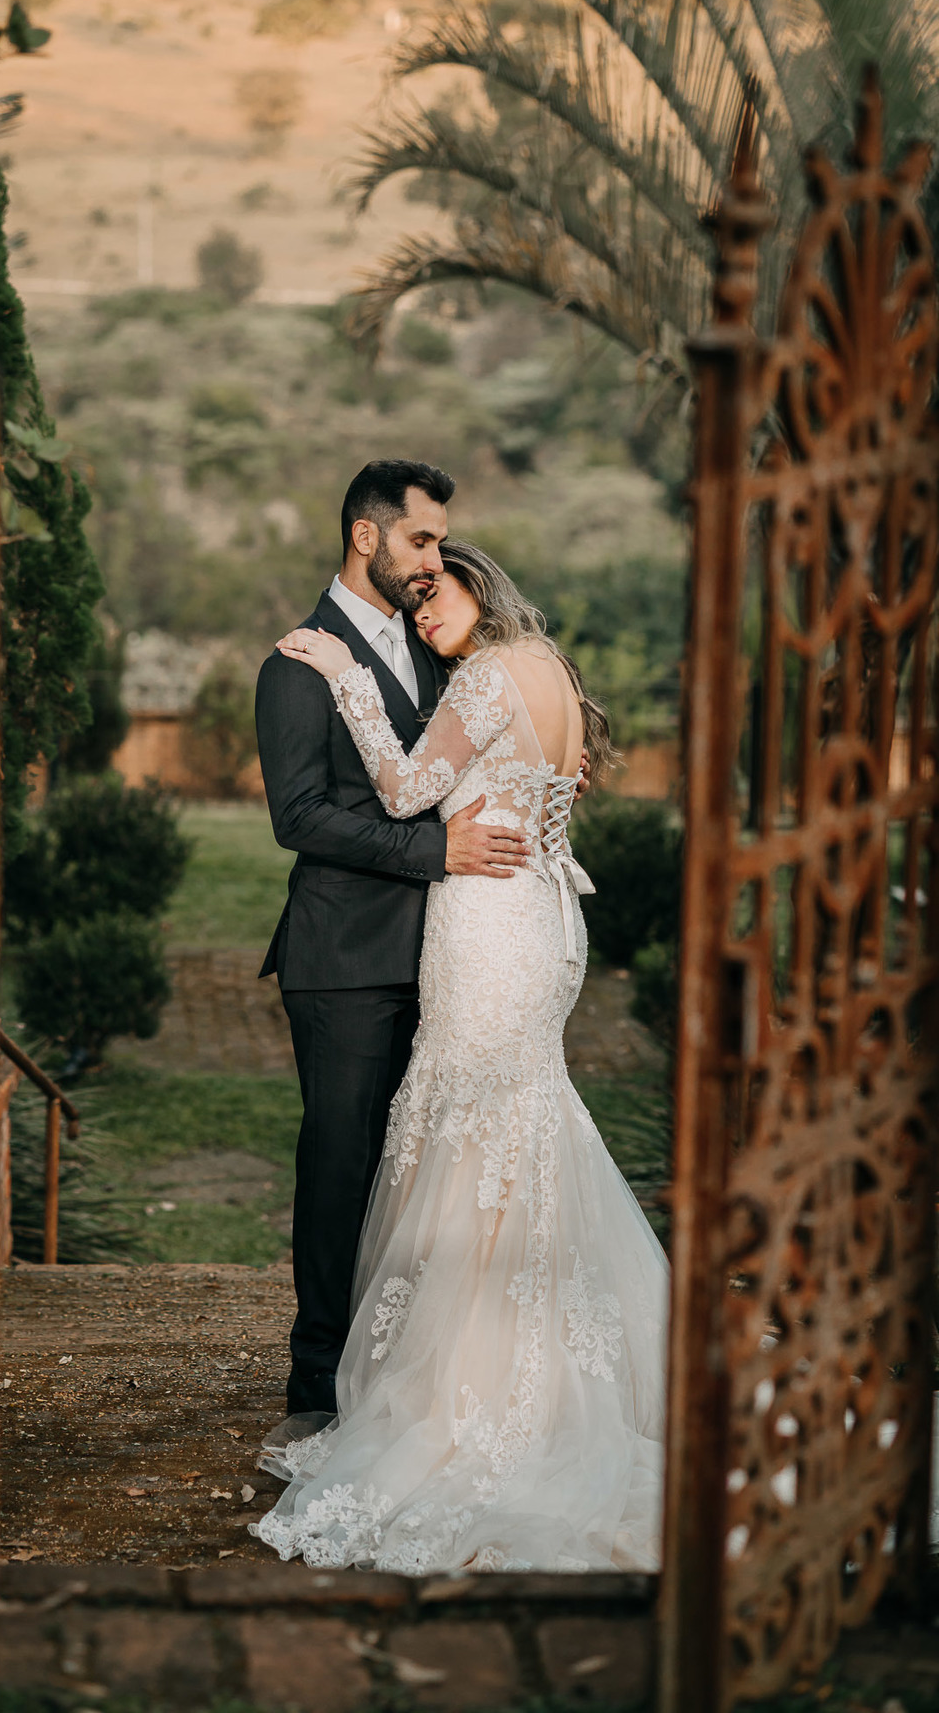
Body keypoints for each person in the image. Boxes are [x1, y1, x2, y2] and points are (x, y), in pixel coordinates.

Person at [251, 538, 669, 1574]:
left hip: (488, 925)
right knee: (516, 1128)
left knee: (474, 1135)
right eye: (416, 591)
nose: (425, 602)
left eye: (442, 587)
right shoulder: (554, 671)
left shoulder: (487, 675)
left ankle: (479, 1392)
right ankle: (533, 1369)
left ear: (483, 589)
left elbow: (399, 793)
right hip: (539, 920)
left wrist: (346, 676)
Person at [255, 461, 546, 1421]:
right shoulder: (299, 660)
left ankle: (410, 1369)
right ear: (366, 536)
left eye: (438, 546)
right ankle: (317, 1384)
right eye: (420, 539)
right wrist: (438, 849)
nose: (433, 563)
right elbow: (299, 817)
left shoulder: (445, 649)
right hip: (344, 962)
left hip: (457, 958)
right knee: (343, 1166)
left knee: (423, 1172)